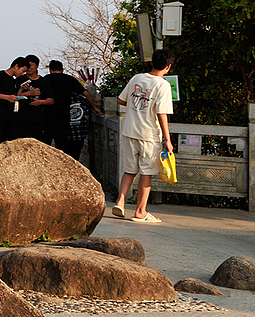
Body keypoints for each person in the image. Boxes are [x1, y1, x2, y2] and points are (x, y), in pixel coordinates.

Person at [112, 49, 175, 223]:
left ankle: (120, 202)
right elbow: (162, 114)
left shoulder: (136, 78)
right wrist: (168, 140)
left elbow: (120, 100)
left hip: (130, 131)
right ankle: (140, 211)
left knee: (129, 170)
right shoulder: (163, 85)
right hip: (149, 135)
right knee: (146, 172)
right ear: (168, 67)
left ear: (152, 62)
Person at [35, 60, 100, 157]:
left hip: (47, 118)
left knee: (45, 145)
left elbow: (37, 96)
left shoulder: (45, 79)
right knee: (62, 148)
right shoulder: (70, 79)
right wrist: (94, 107)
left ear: (50, 70)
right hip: (64, 118)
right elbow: (86, 94)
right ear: (62, 69)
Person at [0, 57, 29, 144]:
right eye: (22, 70)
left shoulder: (13, 81)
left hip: (8, 116)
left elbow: (14, 96)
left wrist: (21, 89)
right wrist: (7, 97)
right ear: (16, 66)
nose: (22, 74)